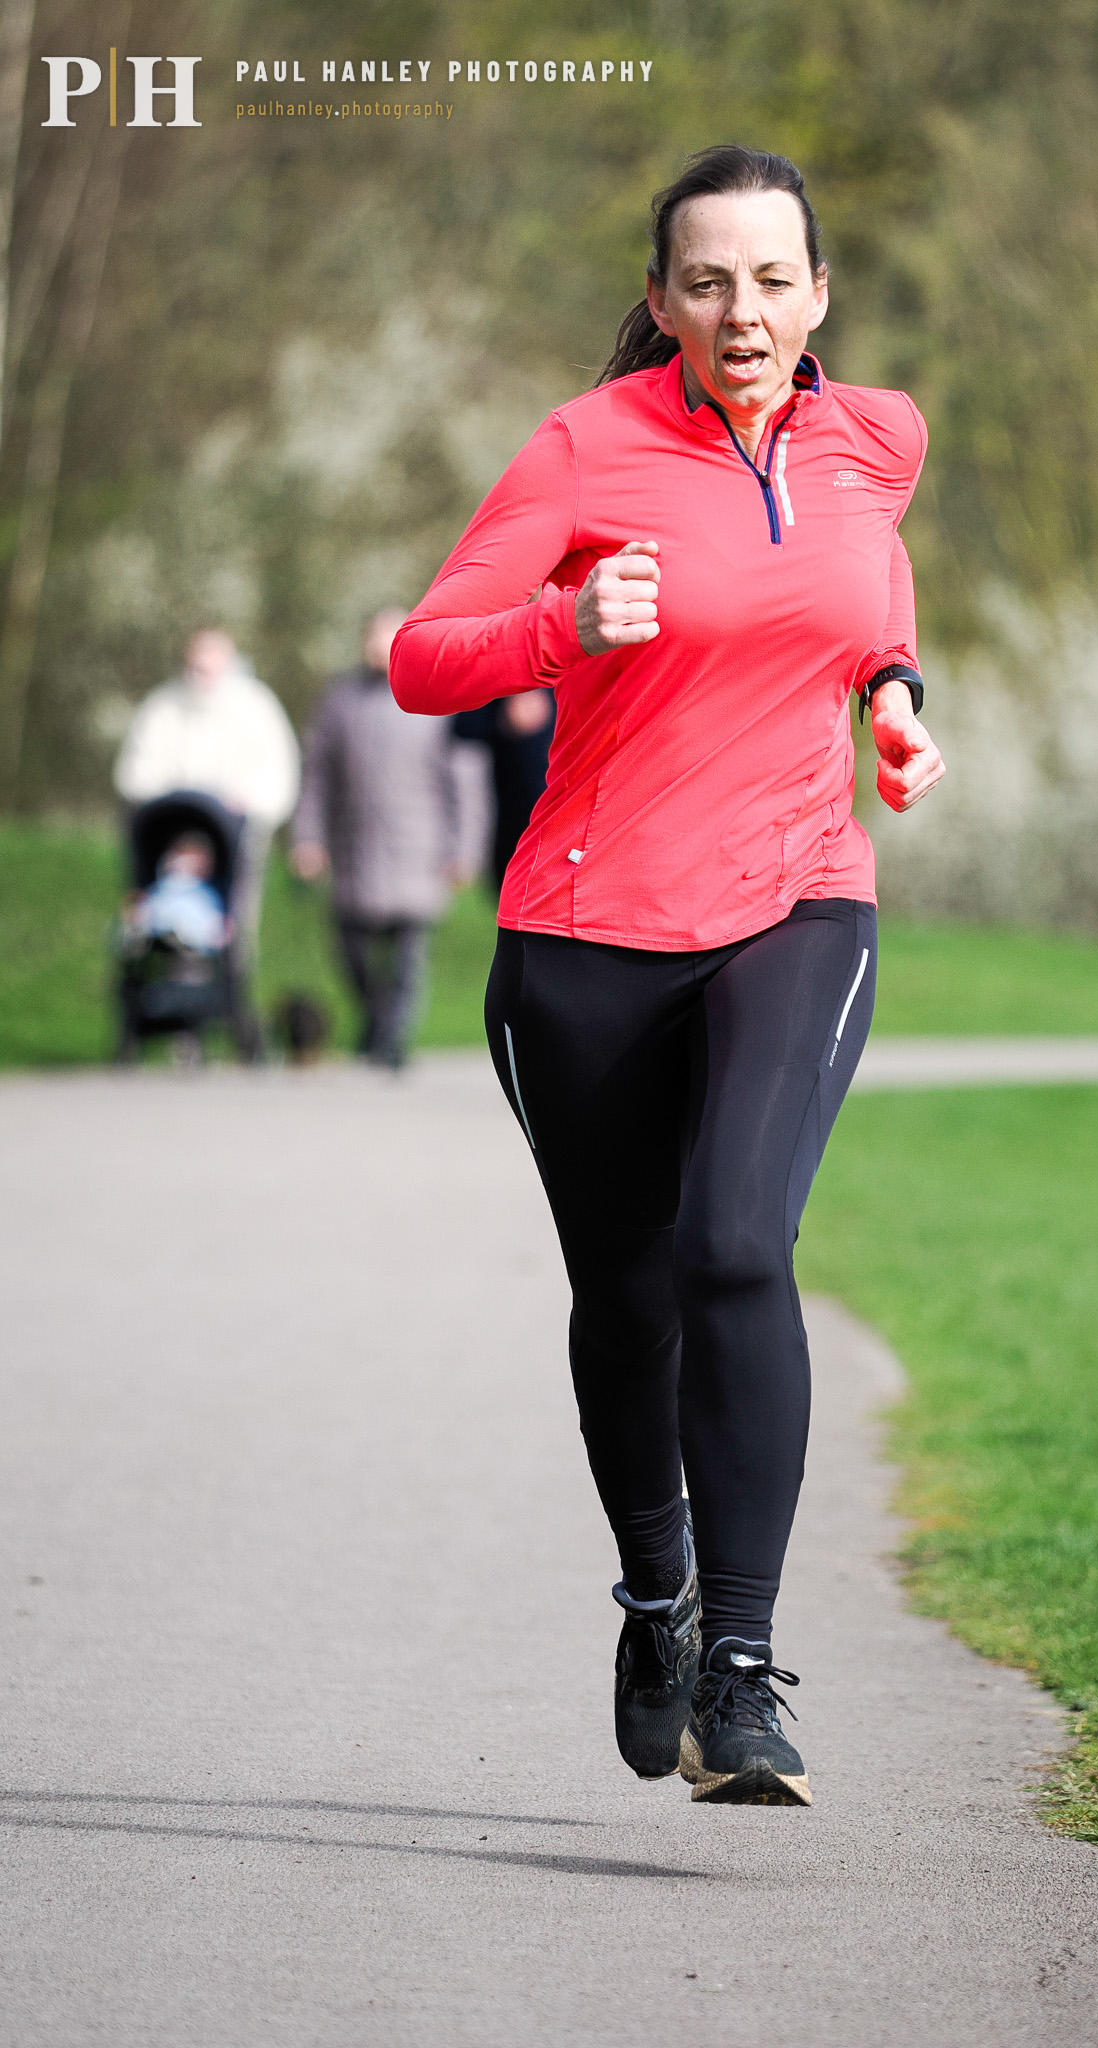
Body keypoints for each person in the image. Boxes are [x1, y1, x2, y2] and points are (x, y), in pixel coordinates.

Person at [391, 145, 944, 1806]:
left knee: (733, 1245)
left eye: (774, 279)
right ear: (662, 301)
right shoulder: (584, 446)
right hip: (582, 936)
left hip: (795, 894)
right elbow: (422, 654)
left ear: (819, 292)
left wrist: (895, 690)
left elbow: (862, 577)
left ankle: (746, 1665)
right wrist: (568, 627)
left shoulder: (877, 434)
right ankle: (657, 1595)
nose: (743, 310)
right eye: (707, 281)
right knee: (626, 1300)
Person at [290, 607, 470, 1070]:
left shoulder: (437, 696)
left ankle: (393, 1038)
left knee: (408, 954)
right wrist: (307, 839)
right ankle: (376, 1017)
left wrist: (463, 849)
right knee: (351, 949)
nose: (377, 647)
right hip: (354, 848)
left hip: (418, 846)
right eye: (372, 637)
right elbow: (317, 777)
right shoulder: (339, 700)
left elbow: (463, 780)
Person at [113, 629, 300, 983]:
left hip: (234, 841)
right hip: (170, 845)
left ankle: (231, 991)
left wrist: (247, 805)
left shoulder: (257, 706)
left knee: (233, 923)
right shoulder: (161, 707)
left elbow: (277, 772)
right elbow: (136, 772)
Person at [450, 689, 555, 895]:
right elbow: (463, 726)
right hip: (510, 819)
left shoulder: (582, 671)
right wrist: (504, 721)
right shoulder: (512, 671)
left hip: (563, 816)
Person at [125, 830, 229, 954]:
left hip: (193, 925)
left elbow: (213, 913)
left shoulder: (205, 893)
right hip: (162, 916)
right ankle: (142, 937)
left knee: (201, 927)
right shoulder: (165, 884)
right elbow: (150, 898)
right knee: (146, 914)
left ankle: (181, 936)